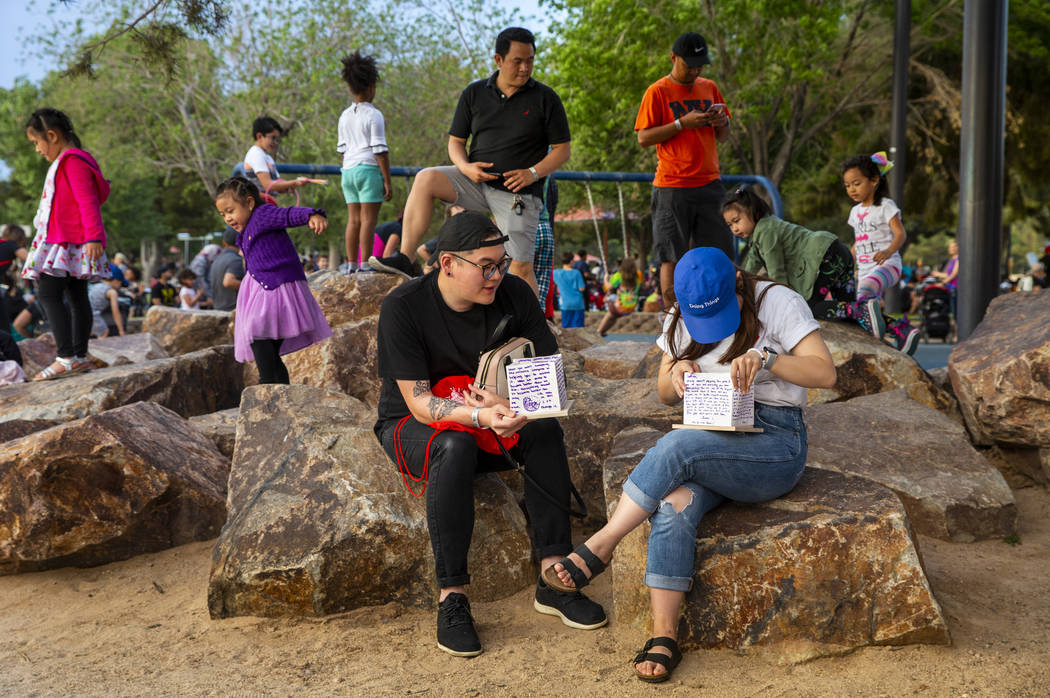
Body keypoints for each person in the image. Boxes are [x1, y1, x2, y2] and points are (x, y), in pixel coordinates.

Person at [543, 247, 836, 682]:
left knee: (678, 447)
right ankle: (665, 636)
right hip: (713, 431)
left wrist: (768, 358)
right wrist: (677, 368)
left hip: (774, 444)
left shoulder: (777, 300)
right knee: (673, 502)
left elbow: (826, 373)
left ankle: (602, 544)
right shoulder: (679, 313)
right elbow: (664, 392)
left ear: (737, 281)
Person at [374, 211, 607, 658]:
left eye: (502, 263)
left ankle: (553, 576)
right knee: (454, 444)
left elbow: (546, 376)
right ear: (447, 264)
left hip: (495, 417)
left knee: (541, 429)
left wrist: (519, 406)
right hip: (416, 427)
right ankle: (453, 597)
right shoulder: (403, 307)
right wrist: (477, 416)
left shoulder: (513, 294)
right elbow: (419, 403)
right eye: (486, 266)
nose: (497, 275)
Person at [370, 27, 571, 299]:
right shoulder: (474, 93)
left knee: (520, 267)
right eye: (518, 61)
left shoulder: (546, 98)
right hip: (474, 182)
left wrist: (533, 173)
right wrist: (465, 167)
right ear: (498, 60)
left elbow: (562, 150)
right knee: (426, 178)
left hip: (517, 193)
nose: (525, 68)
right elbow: (455, 142)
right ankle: (406, 258)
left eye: (530, 61)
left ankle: (534, 331)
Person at [722, 186, 917, 353]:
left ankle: (860, 309)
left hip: (824, 258)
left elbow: (776, 273)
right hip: (838, 253)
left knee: (810, 308)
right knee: (846, 313)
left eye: (737, 220)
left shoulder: (765, 231)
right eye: (730, 225)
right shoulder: (759, 238)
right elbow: (747, 270)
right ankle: (901, 330)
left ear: (753, 211)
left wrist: (785, 302)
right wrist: (735, 282)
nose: (734, 229)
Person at [635, 31, 734, 307]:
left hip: (709, 183)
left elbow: (724, 136)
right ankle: (672, 320)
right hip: (671, 186)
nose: (694, 70)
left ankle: (719, 311)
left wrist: (720, 121)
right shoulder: (657, 91)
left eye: (699, 64)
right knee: (671, 256)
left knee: (718, 254)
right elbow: (643, 138)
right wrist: (681, 123)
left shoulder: (709, 86)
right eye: (689, 64)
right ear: (673, 58)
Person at [214, 176, 332, 384]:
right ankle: (273, 384)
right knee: (265, 346)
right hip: (262, 286)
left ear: (249, 203)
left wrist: (311, 215)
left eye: (230, 211)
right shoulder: (244, 231)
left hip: (276, 285)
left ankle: (268, 384)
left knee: (258, 332)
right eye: (223, 214)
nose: (227, 219)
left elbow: (287, 214)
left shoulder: (262, 214)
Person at [22, 107, 112, 380]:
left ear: (52, 135)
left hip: (67, 241)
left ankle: (66, 356)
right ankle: (79, 356)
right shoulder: (74, 161)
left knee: (49, 294)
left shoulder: (71, 162)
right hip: (72, 241)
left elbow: (87, 200)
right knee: (76, 295)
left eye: (37, 143)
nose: (37, 150)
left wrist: (94, 235)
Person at [841, 152, 919, 353]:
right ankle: (902, 332)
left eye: (856, 183)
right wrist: (847, 262)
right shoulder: (854, 212)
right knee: (860, 307)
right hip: (866, 270)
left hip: (888, 265)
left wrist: (888, 251)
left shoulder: (886, 206)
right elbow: (858, 242)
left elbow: (900, 234)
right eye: (848, 185)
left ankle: (880, 332)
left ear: (874, 180)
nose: (851, 189)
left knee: (866, 290)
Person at [337, 51, 393, 274]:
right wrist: (387, 181)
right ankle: (365, 264)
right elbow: (380, 151)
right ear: (372, 87)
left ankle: (350, 264)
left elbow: (342, 150)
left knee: (353, 220)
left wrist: (348, 167)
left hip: (348, 171)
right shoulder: (374, 115)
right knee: (369, 220)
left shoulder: (344, 115)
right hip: (368, 169)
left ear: (350, 88)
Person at [243, 116, 307, 199]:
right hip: (259, 206)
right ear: (259, 136)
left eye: (277, 139)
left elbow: (276, 186)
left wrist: (289, 186)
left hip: (269, 204)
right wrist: (293, 183)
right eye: (272, 138)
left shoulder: (267, 158)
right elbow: (268, 185)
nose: (275, 142)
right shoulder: (256, 154)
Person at [597, 258, 643, 336]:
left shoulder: (618, 275)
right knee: (614, 316)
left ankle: (598, 331)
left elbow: (607, 287)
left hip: (620, 306)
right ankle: (602, 331)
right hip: (632, 306)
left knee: (611, 306)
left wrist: (605, 279)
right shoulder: (639, 275)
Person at [210, 226, 244, 312]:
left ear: (224, 242)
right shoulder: (235, 260)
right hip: (231, 310)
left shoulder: (217, 259)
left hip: (218, 308)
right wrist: (250, 287)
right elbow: (228, 282)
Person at [552, 251, 586, 328]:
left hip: (565, 304)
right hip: (578, 304)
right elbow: (582, 288)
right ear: (571, 261)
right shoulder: (576, 273)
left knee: (566, 328)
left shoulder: (556, 273)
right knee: (578, 329)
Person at [929, 239, 959, 317]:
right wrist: (937, 274)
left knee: (955, 313)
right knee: (952, 312)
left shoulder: (958, 259)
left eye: (952, 247)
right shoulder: (952, 259)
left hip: (955, 288)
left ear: (957, 247)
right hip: (950, 288)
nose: (950, 249)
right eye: (950, 247)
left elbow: (954, 274)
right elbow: (948, 274)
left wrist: (942, 283)